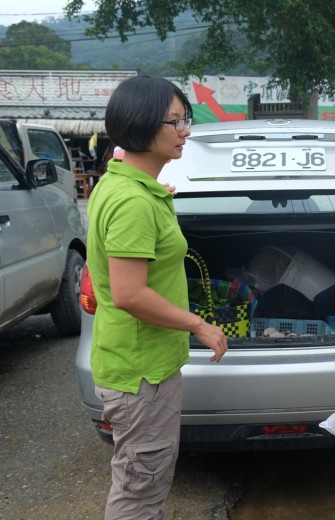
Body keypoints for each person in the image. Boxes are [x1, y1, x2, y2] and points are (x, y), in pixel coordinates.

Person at [86, 75, 228, 520]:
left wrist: (155, 200)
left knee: (141, 480)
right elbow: (129, 294)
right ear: (142, 124)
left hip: (136, 365)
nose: (186, 129)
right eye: (176, 121)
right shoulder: (133, 201)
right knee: (139, 492)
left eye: (186, 118)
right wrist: (199, 324)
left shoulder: (121, 184)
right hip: (140, 373)